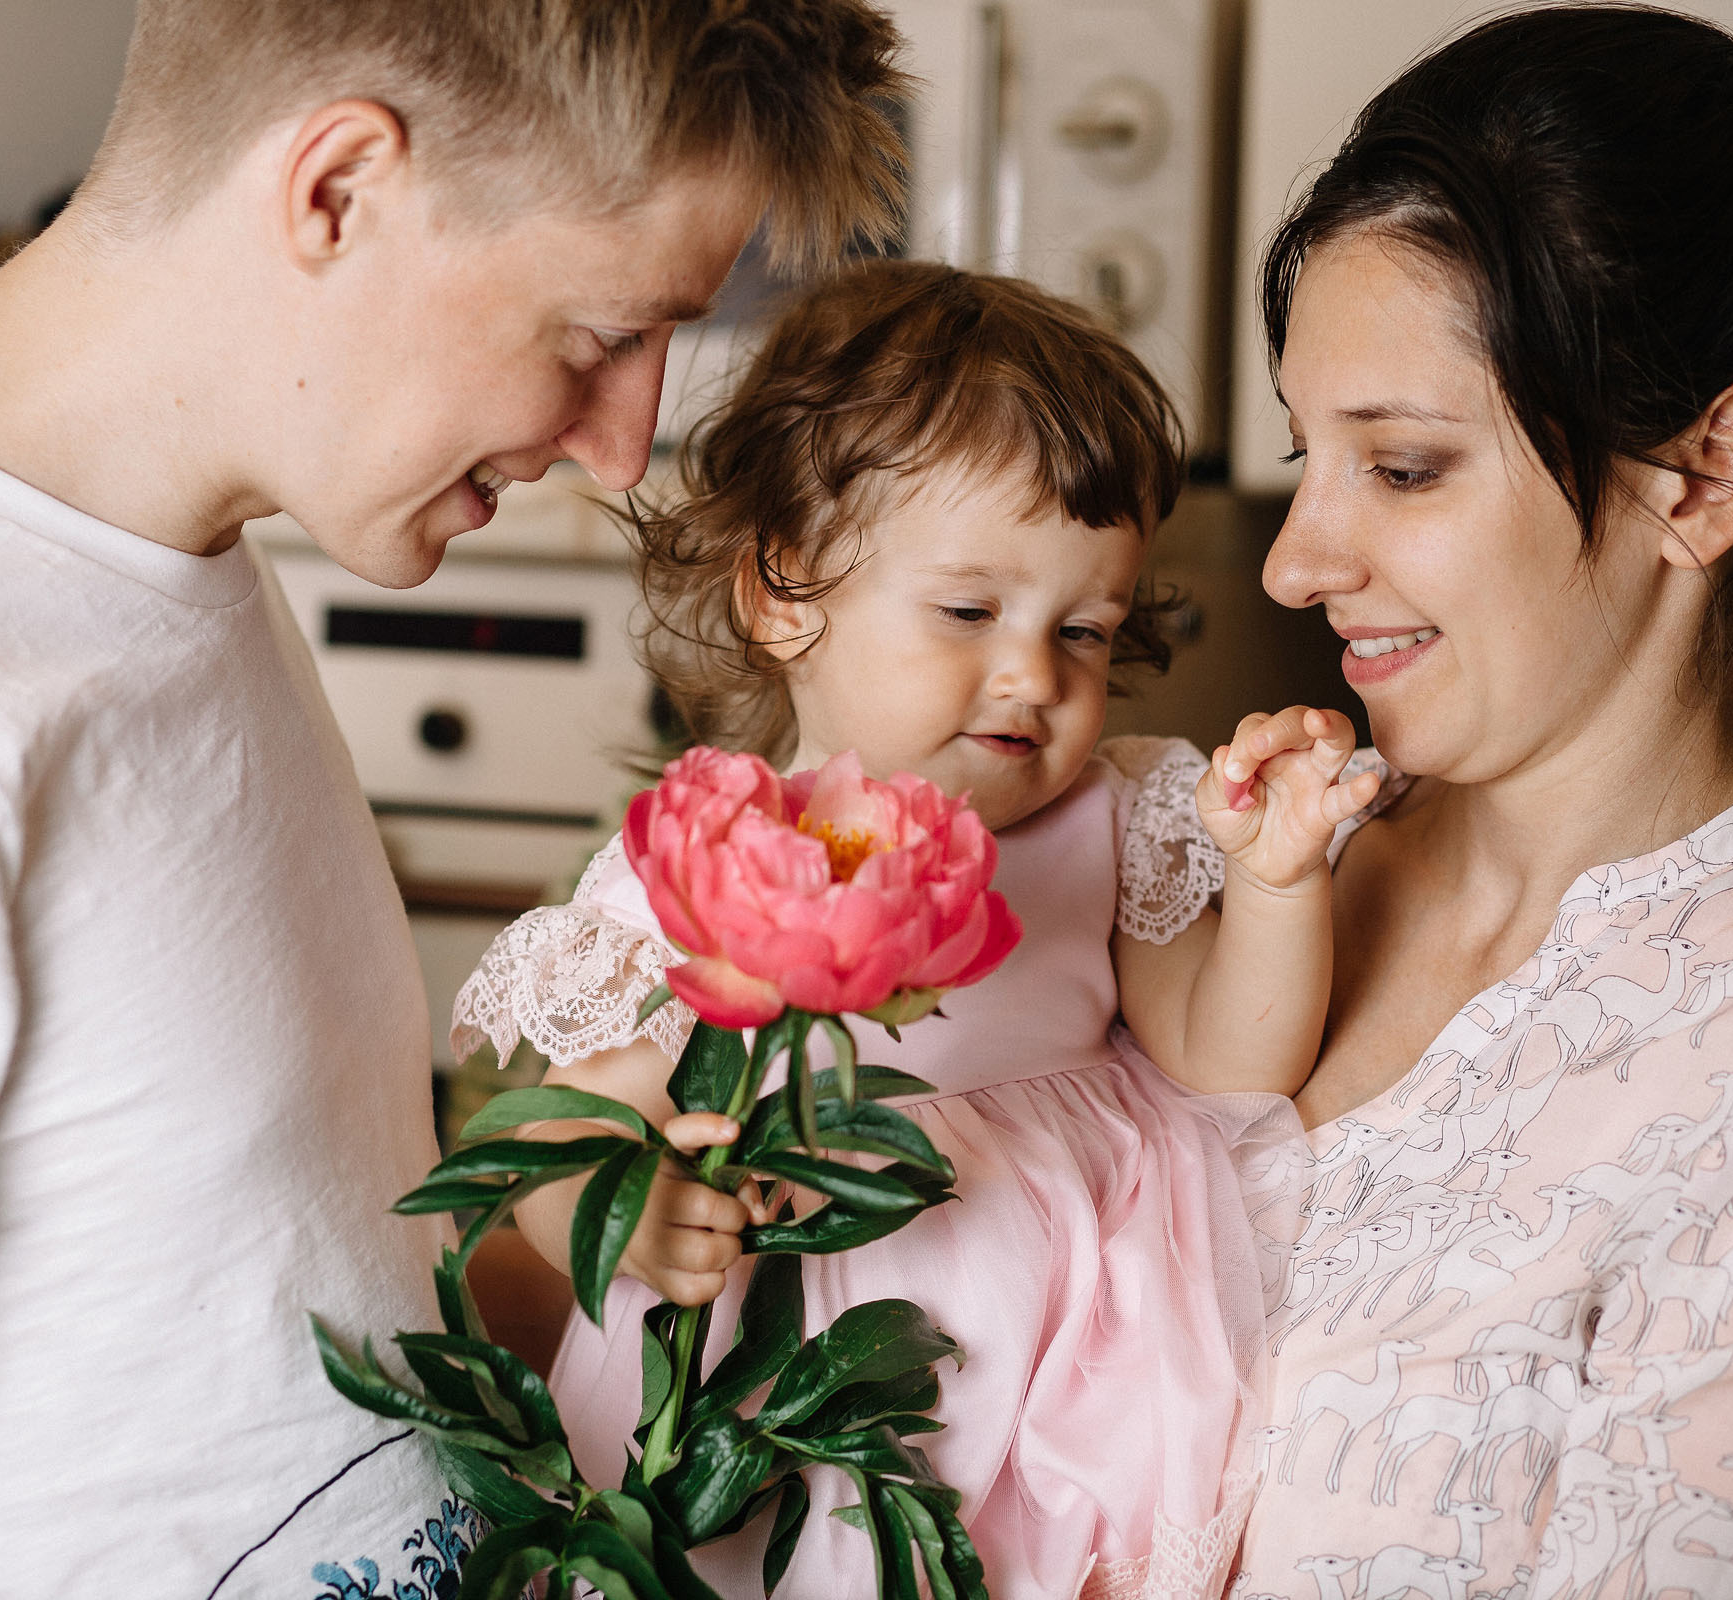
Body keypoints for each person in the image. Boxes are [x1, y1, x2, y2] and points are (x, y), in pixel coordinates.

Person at [0, 3, 906, 1595]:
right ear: (337, 189)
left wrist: (602, 1235)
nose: (624, 447)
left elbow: (289, 1305)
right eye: (599, 334)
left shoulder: (179, 574)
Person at [451, 258, 1373, 1600]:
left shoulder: (1110, 817)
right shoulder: (712, 866)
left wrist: (1278, 886)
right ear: (786, 593)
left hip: (1073, 1385)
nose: (1034, 675)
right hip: (796, 1410)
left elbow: (1234, 1067)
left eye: (1088, 630)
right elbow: (549, 1127)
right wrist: (627, 1207)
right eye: (967, 611)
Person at [1228, 4, 1733, 1594]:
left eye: (1404, 467)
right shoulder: (1231, 858)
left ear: (1708, 477)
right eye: (1304, 454)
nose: (1295, 560)